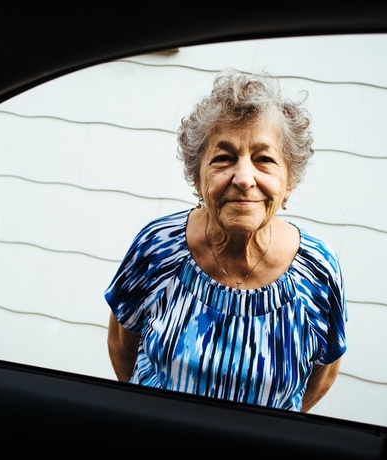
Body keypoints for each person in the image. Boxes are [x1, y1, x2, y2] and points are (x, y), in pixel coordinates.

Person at [106, 70, 347, 412]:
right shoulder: (156, 247)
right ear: (197, 175)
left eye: (264, 159)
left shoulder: (318, 271)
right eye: (223, 158)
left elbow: (321, 378)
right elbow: (122, 349)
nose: (244, 178)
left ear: (289, 181)